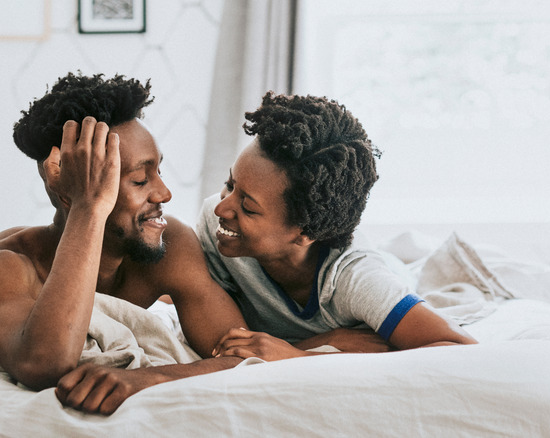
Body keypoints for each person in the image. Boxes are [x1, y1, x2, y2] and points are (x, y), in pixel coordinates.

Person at [0, 73, 247, 414]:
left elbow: (244, 354)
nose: (164, 193)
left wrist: (151, 378)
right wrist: (88, 206)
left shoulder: (172, 243)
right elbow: (44, 364)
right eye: (140, 179)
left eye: (158, 172)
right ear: (66, 188)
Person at [200, 92, 477, 361]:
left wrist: (299, 356)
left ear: (305, 232)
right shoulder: (217, 226)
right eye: (230, 184)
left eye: (248, 207)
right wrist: (323, 342)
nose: (221, 207)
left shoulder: (358, 281)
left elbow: (461, 348)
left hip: (390, 273)